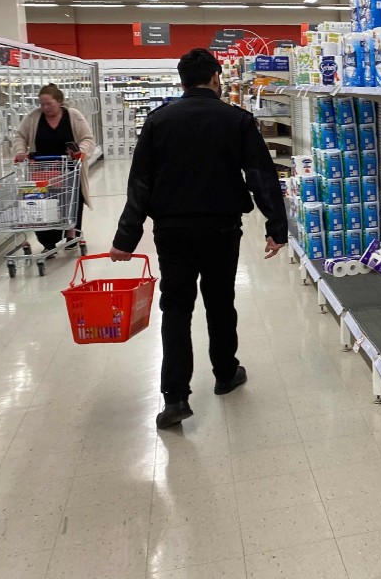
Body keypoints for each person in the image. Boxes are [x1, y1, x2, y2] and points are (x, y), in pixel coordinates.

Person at [110, 48, 287, 429]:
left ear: (181, 81)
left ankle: (175, 398)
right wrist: (277, 228)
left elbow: (140, 183)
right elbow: (260, 174)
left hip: (172, 230)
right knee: (220, 301)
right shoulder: (236, 120)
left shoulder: (159, 121)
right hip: (222, 228)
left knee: (175, 307)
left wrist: (126, 238)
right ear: (215, 77)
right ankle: (225, 374)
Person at [12, 84, 95, 253]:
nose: (44, 108)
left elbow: (87, 138)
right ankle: (48, 242)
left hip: (69, 168)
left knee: (71, 202)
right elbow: (20, 136)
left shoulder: (73, 116)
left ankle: (72, 233)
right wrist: (20, 152)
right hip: (42, 169)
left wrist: (81, 152)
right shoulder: (33, 117)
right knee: (43, 205)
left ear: (59, 102)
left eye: (48, 104)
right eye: (41, 104)